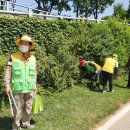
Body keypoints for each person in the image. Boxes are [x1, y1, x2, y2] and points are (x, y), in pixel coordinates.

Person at [5, 35, 37, 130]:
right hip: (17, 88)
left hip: (30, 88)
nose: (24, 45)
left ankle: (26, 123)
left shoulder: (33, 58)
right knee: (17, 109)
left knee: (28, 108)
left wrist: (35, 85)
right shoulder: (13, 57)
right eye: (22, 43)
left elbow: (34, 73)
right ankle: (16, 126)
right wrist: (7, 84)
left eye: (26, 43)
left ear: (30, 46)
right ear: (20, 45)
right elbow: (8, 71)